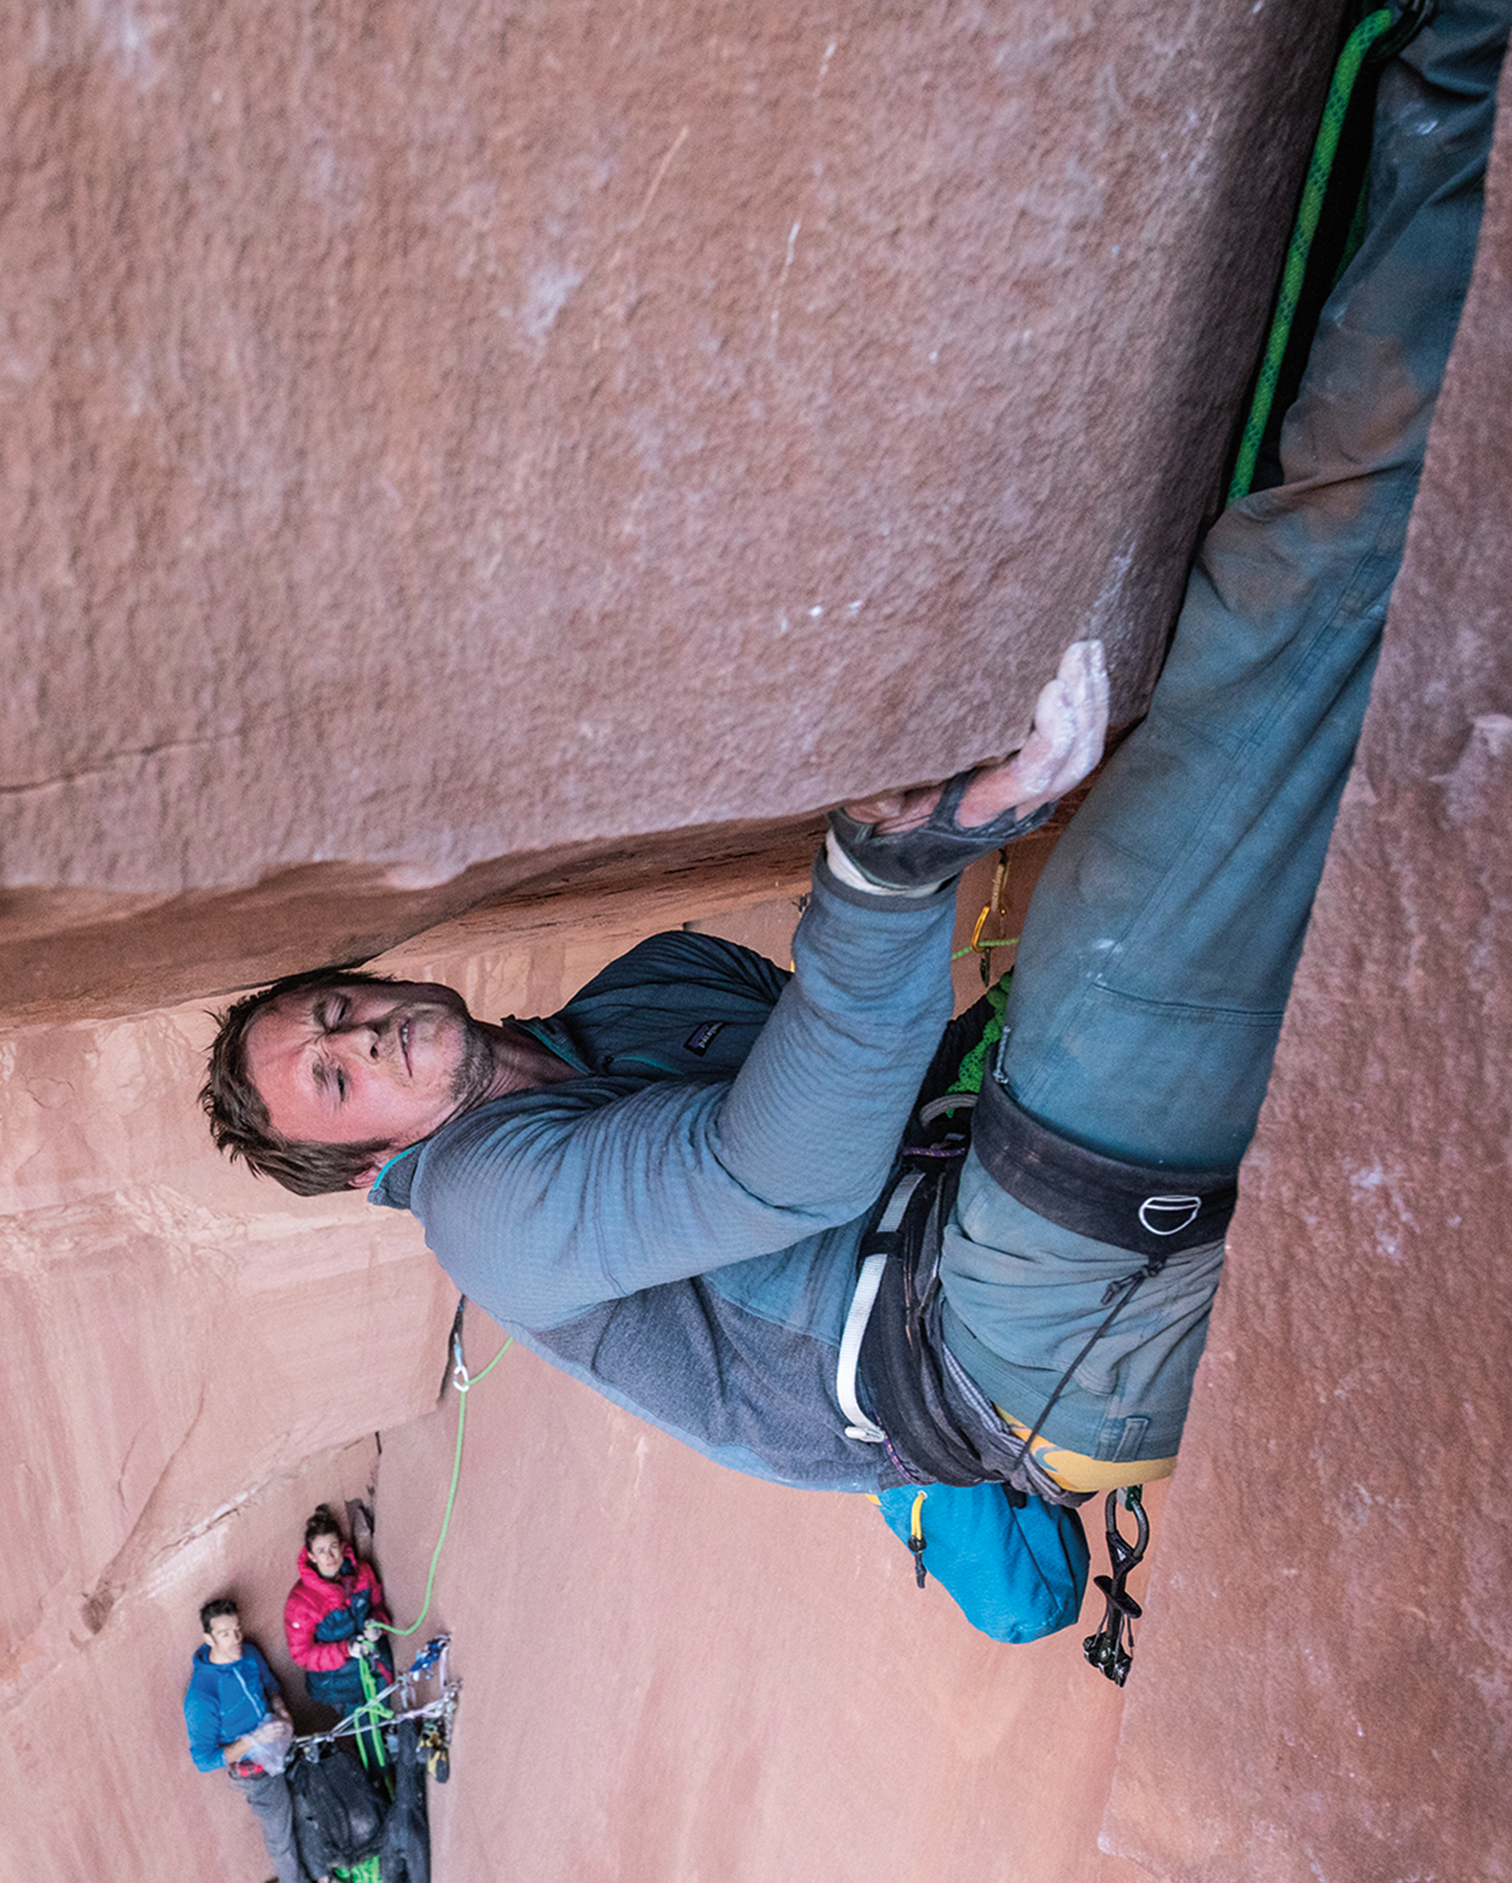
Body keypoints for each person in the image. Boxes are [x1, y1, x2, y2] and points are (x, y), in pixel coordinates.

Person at [201, 4, 1507, 1530]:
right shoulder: (488, 1219)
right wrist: (887, 880)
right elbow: (791, 1180)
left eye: (336, 1008)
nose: (369, 1035)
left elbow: (868, 1072)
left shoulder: (648, 990)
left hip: (996, 1213)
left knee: (1208, 823)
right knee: (1247, 697)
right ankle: (1467, 81)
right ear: (362, 1164)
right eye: (340, 1077)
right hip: (1004, 1342)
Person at [183, 1597, 333, 1883]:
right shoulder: (202, 1694)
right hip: (253, 1770)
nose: (235, 1639)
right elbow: (206, 1760)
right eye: (224, 1634)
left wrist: (281, 1712)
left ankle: (323, 1877)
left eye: (237, 1630)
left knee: (307, 1807)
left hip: (278, 1745)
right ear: (208, 1639)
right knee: (280, 1828)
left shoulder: (248, 1654)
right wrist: (252, 1740)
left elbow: (270, 1686)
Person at [284, 1506, 394, 1718]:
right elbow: (302, 1654)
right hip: (339, 1686)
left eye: (334, 1547)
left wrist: (376, 1625)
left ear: (343, 1547)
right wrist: (346, 1649)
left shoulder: (362, 1573)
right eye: (321, 1551)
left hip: (376, 1668)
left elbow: (379, 1608)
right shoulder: (300, 1602)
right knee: (366, 1735)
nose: (330, 1556)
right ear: (311, 1556)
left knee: (387, 1723)